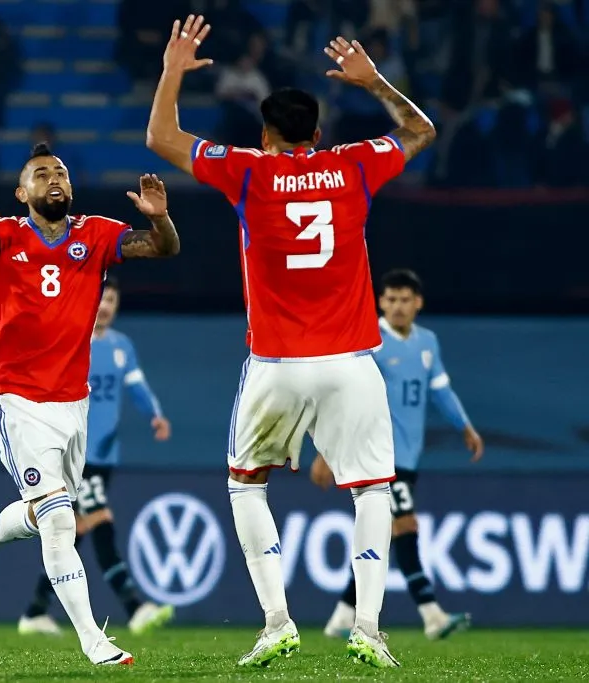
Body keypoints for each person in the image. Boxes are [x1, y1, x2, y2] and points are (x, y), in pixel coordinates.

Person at [145, 16, 437, 669]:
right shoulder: (354, 164)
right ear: (318, 133)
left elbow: (160, 137)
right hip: (351, 362)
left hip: (277, 362)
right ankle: (369, 628)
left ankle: (277, 620)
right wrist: (375, 82)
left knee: (247, 485)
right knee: (372, 492)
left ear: (266, 136)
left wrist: (172, 70)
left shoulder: (249, 171)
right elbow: (422, 131)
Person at [0, 142, 181, 666]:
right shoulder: (2, 236)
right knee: (59, 520)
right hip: (14, 393)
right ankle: (94, 641)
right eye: (41, 174)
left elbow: (163, 248)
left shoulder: (96, 233)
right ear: (22, 192)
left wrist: (160, 218)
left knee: (45, 512)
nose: (54, 178)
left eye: (60, 171)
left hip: (72, 399)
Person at [312, 269, 484, 640]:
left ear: (418, 303)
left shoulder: (427, 342)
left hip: (407, 455)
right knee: (404, 527)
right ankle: (432, 615)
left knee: (384, 532)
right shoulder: (369, 340)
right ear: (380, 302)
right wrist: (327, 449)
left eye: (405, 300)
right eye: (391, 299)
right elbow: (343, 395)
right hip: (376, 452)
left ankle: (342, 617)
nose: (398, 307)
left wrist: (465, 427)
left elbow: (441, 391)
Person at [18, 277, 175, 637]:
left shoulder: (122, 346)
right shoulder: (70, 339)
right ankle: (134, 608)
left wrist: (154, 415)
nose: (105, 306)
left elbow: (137, 387)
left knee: (73, 531)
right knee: (100, 522)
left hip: (106, 456)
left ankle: (35, 611)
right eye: (101, 298)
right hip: (77, 454)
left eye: (112, 300)